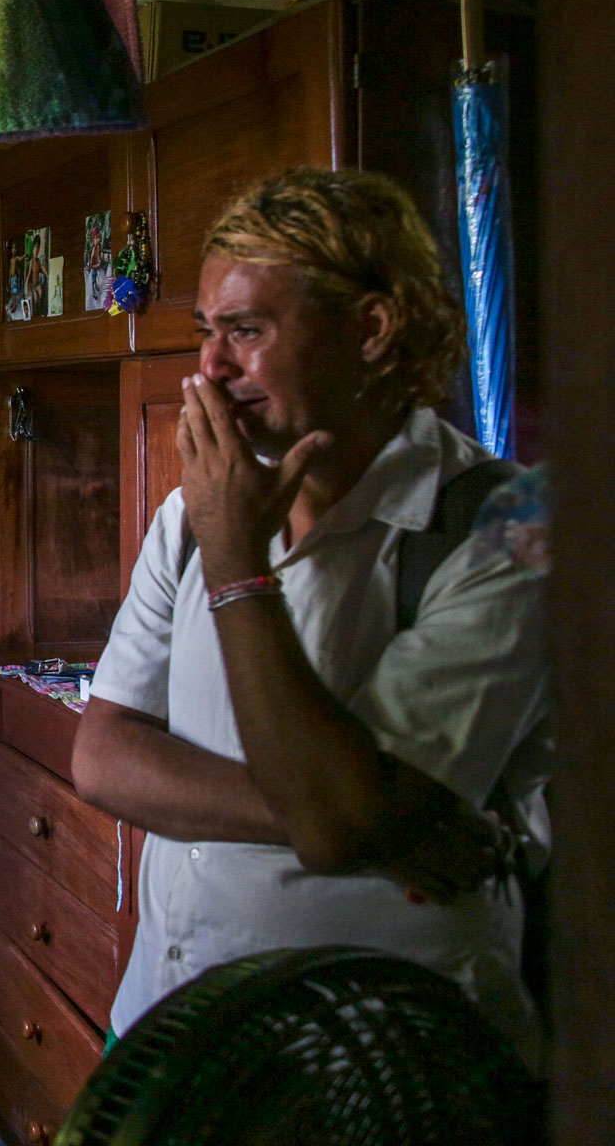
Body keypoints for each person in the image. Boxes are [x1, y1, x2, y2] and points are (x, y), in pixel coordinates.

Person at [71, 168, 551, 1066]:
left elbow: (337, 822)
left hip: (376, 1064)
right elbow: (103, 755)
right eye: (207, 333)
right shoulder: (192, 515)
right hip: (169, 1023)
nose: (210, 367)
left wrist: (237, 563)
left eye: (247, 331)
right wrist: (349, 814)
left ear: (372, 329)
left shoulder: (508, 530)